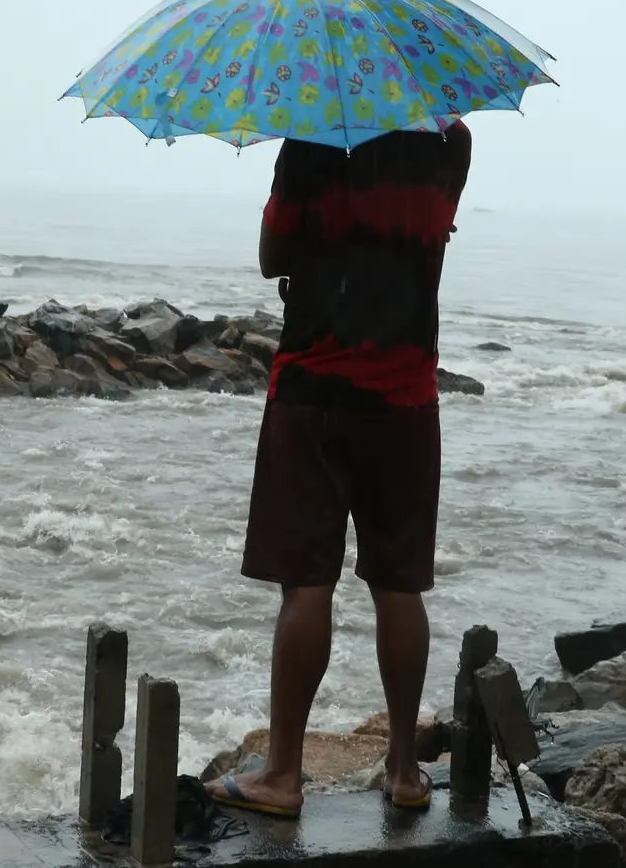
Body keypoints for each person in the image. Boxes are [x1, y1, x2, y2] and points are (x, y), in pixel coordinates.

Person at [207, 120, 472, 819]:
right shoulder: (450, 145)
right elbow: (432, 239)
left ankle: (283, 773)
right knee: (399, 582)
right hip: (407, 395)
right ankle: (406, 768)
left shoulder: (310, 143)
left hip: (314, 390)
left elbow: (271, 258)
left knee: (306, 582)